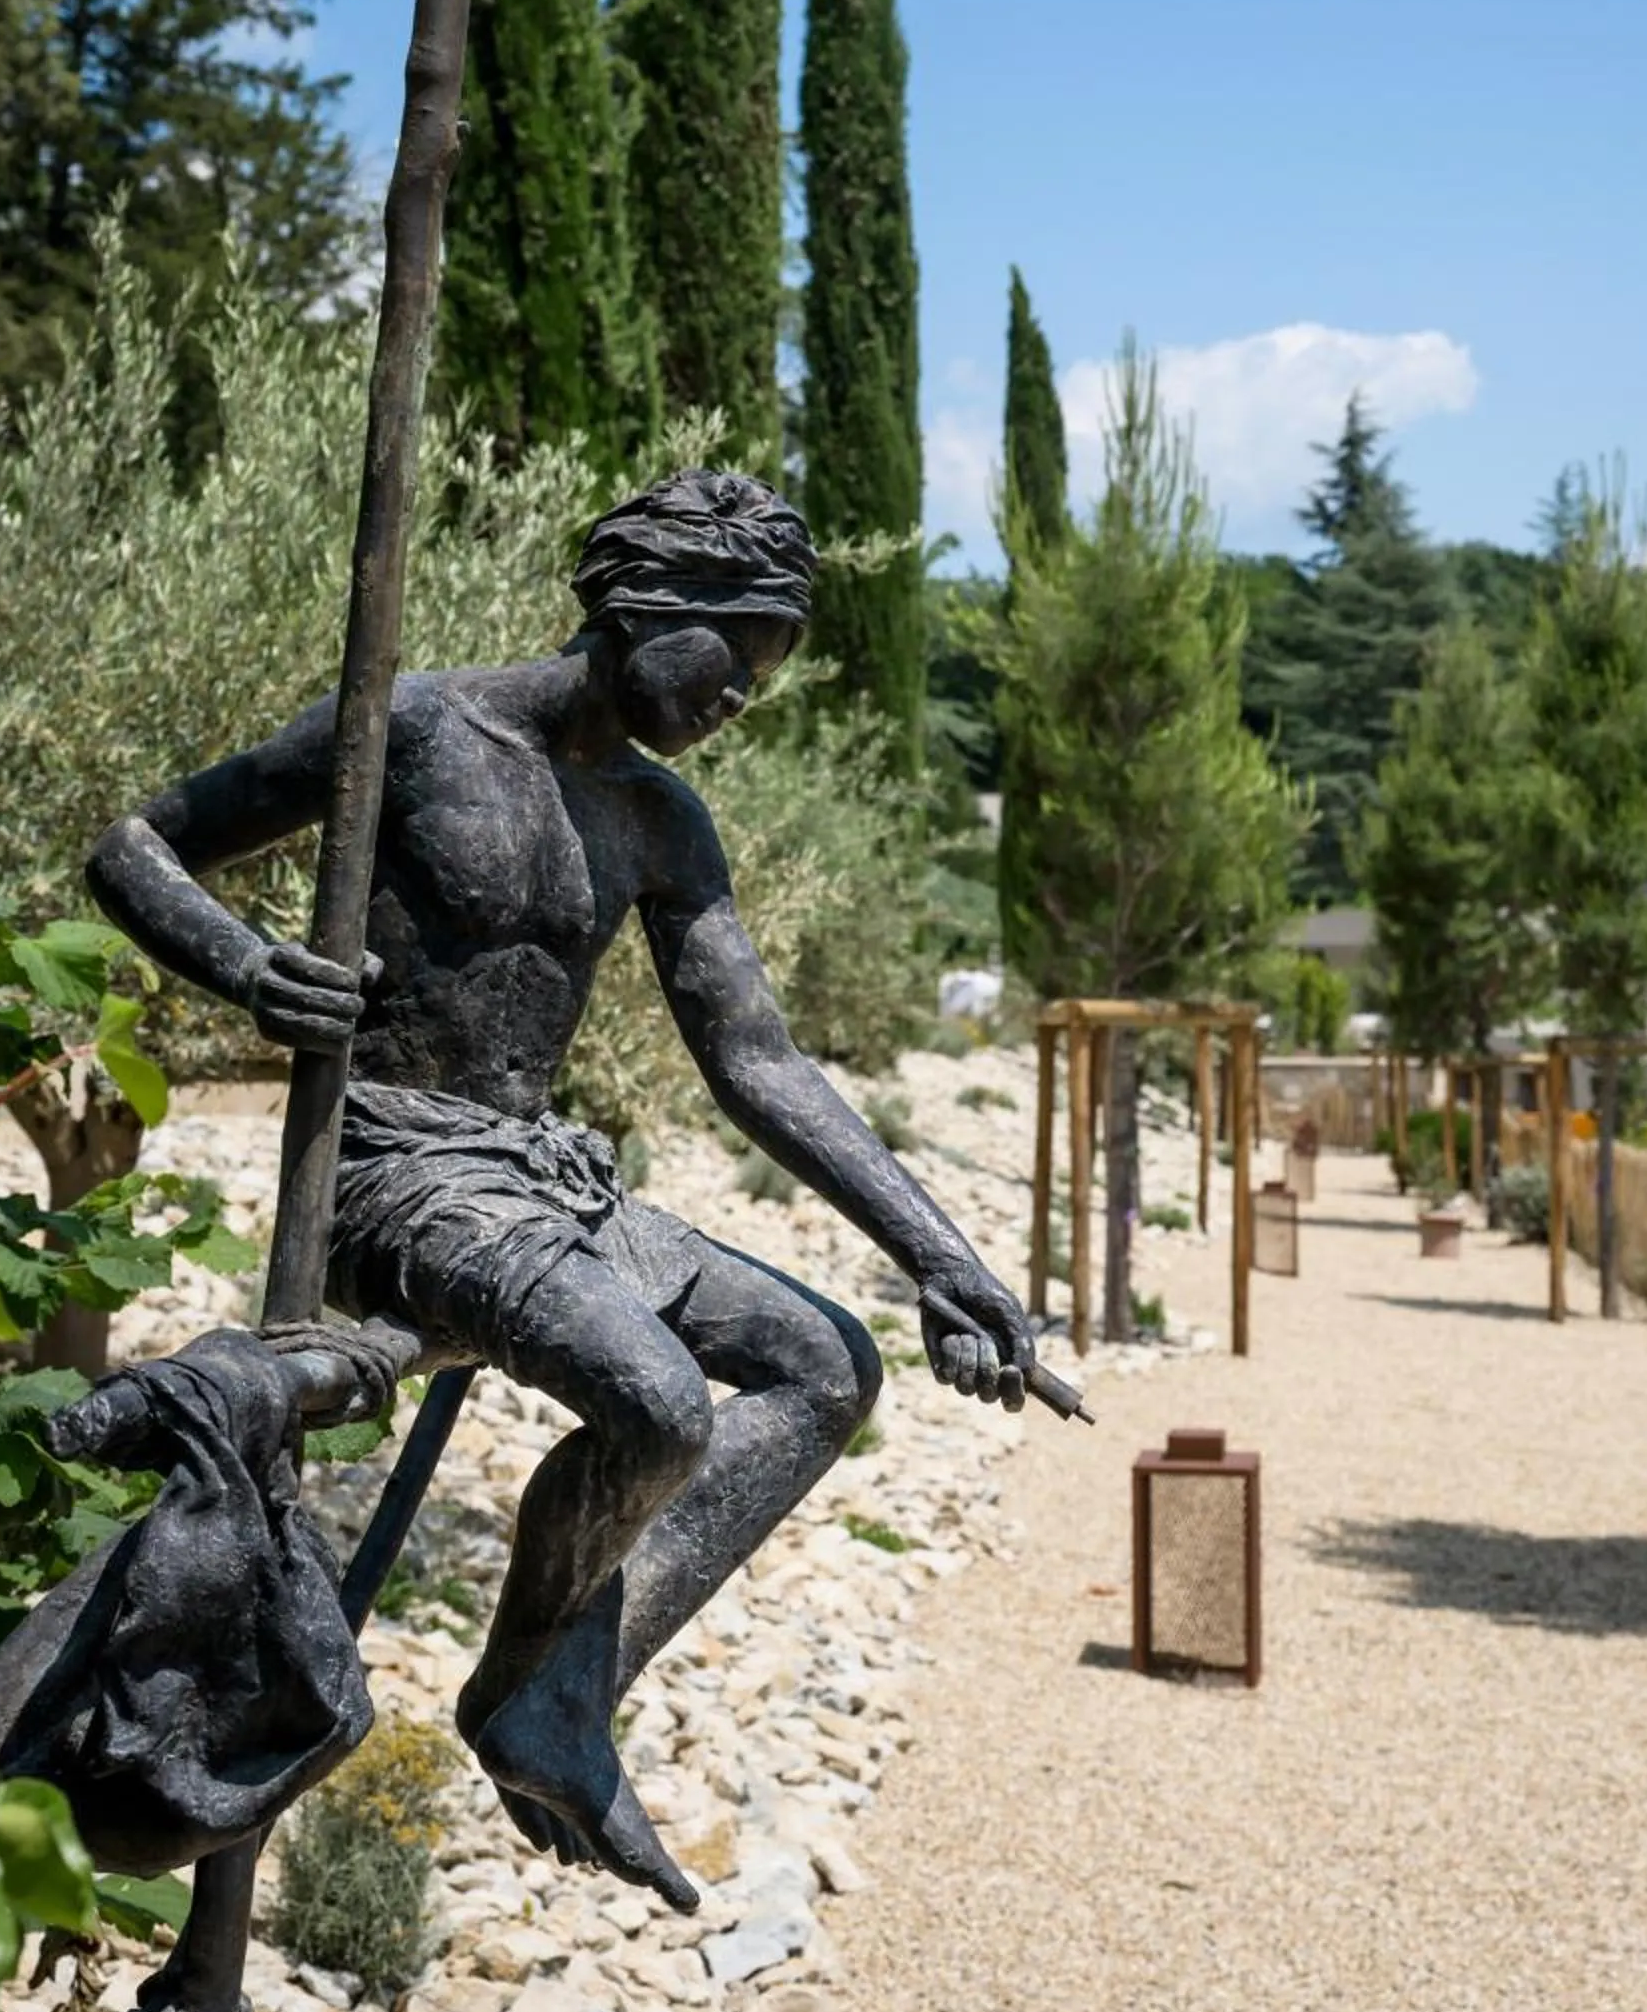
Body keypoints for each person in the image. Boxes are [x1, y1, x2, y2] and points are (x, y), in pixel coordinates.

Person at [85, 469, 1034, 1912]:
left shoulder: (660, 819)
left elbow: (757, 1061)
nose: (740, 701)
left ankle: (559, 1693)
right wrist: (247, 966)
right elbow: (135, 847)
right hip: (392, 1175)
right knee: (655, 1400)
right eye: (737, 658)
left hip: (535, 1177)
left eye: (765, 678)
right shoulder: (412, 727)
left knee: (822, 1361)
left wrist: (940, 1258)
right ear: (648, 608)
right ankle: (532, 1692)